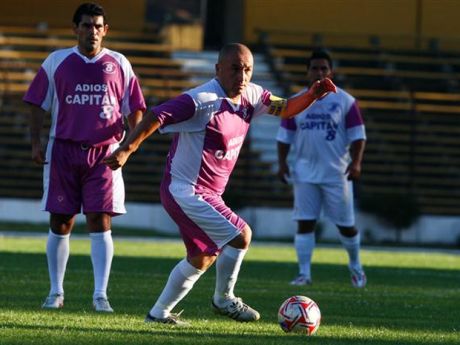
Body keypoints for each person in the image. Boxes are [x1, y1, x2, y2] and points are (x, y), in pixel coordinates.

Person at [103, 43, 336, 325]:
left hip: (207, 193)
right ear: (218, 69)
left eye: (247, 69)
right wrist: (128, 149)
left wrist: (312, 95)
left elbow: (284, 108)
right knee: (241, 235)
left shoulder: (251, 95)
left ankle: (158, 314)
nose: (242, 76)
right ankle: (224, 299)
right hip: (185, 191)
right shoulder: (202, 100)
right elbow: (157, 115)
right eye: (235, 69)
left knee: (201, 257)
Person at [23, 2, 146, 312]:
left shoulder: (119, 63)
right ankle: (55, 292)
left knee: (99, 220)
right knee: (61, 221)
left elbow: (137, 112)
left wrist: (127, 150)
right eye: (87, 25)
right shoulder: (56, 61)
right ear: (74, 29)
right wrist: (36, 142)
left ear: (106, 30)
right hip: (63, 149)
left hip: (105, 153)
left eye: (98, 26)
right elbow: (36, 103)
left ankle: (100, 294)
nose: (92, 31)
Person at [276, 49, 367, 288]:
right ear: (307, 72)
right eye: (315, 68)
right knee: (305, 222)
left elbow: (358, 136)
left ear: (331, 72)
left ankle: (356, 268)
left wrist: (356, 162)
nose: (319, 72)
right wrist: (282, 162)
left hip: (337, 172)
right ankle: (304, 274)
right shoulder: (296, 101)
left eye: (323, 68)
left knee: (346, 225)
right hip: (304, 172)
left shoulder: (346, 101)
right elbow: (284, 137)